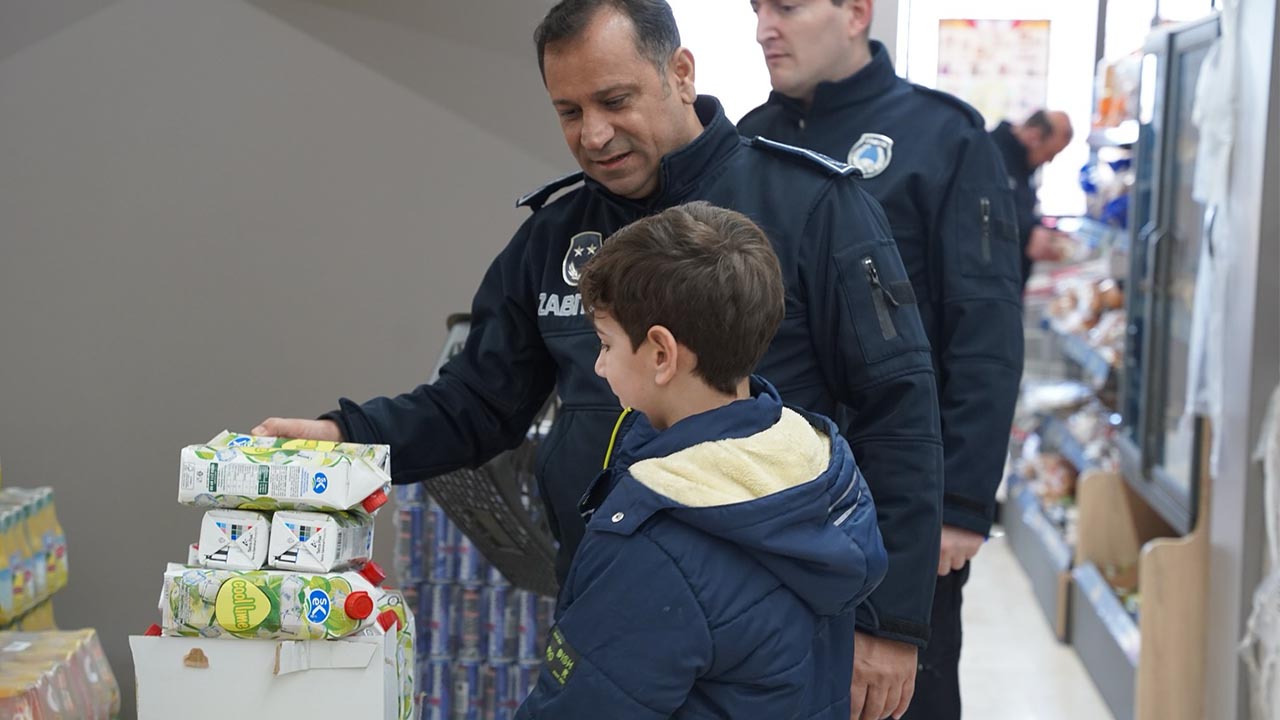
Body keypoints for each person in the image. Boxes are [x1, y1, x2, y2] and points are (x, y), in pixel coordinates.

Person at [253, 0, 943, 699]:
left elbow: (898, 413)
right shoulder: (555, 234)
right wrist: (348, 437)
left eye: (614, 100)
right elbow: (476, 402)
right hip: (613, 598)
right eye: (569, 111)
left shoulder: (812, 205)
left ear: (679, 73)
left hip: (773, 625)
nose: (595, 134)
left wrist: (890, 624)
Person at [739, 3, 1025, 719]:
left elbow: (984, 330)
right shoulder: (749, 141)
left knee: (897, 702)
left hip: (897, 500)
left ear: (856, 13)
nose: (763, 27)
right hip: (770, 499)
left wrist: (959, 502)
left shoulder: (944, 137)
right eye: (754, 8)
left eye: (787, 6)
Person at [516, 201, 889, 719]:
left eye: (605, 344)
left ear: (662, 354)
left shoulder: (656, 547)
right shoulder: (816, 472)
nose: (599, 365)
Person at [988, 109, 1075, 289]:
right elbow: (981, 219)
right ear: (1034, 136)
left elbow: (1017, 212)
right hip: (987, 286)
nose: (1049, 161)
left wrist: (1044, 231)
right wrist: (1029, 235)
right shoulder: (989, 157)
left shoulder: (1023, 168)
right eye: (1050, 154)